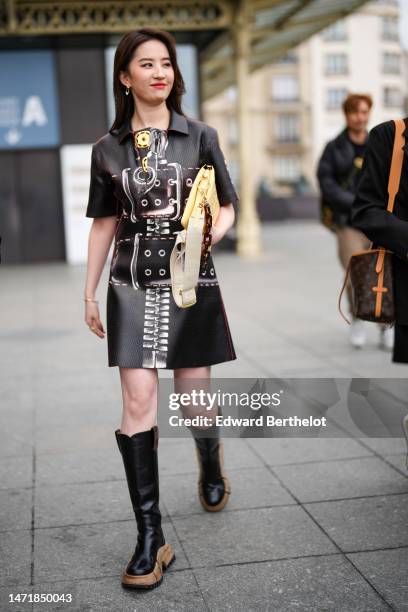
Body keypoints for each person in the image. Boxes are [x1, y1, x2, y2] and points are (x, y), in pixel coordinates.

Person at [83, 28, 238, 590]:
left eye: (166, 64)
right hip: (129, 283)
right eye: (145, 64)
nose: (159, 72)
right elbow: (104, 222)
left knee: (195, 400)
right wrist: (88, 290)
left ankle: (209, 457)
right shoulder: (107, 149)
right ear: (125, 77)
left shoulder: (200, 136)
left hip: (188, 280)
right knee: (139, 398)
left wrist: (210, 234)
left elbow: (226, 204)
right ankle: (151, 538)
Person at [317, 93, 393, 351]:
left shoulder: (381, 143)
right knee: (356, 272)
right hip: (348, 221)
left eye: (364, 112)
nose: (360, 117)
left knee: (382, 272)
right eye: (355, 112)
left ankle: (385, 325)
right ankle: (359, 319)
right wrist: (356, 202)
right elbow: (327, 184)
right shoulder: (334, 147)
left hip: (378, 221)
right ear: (347, 115)